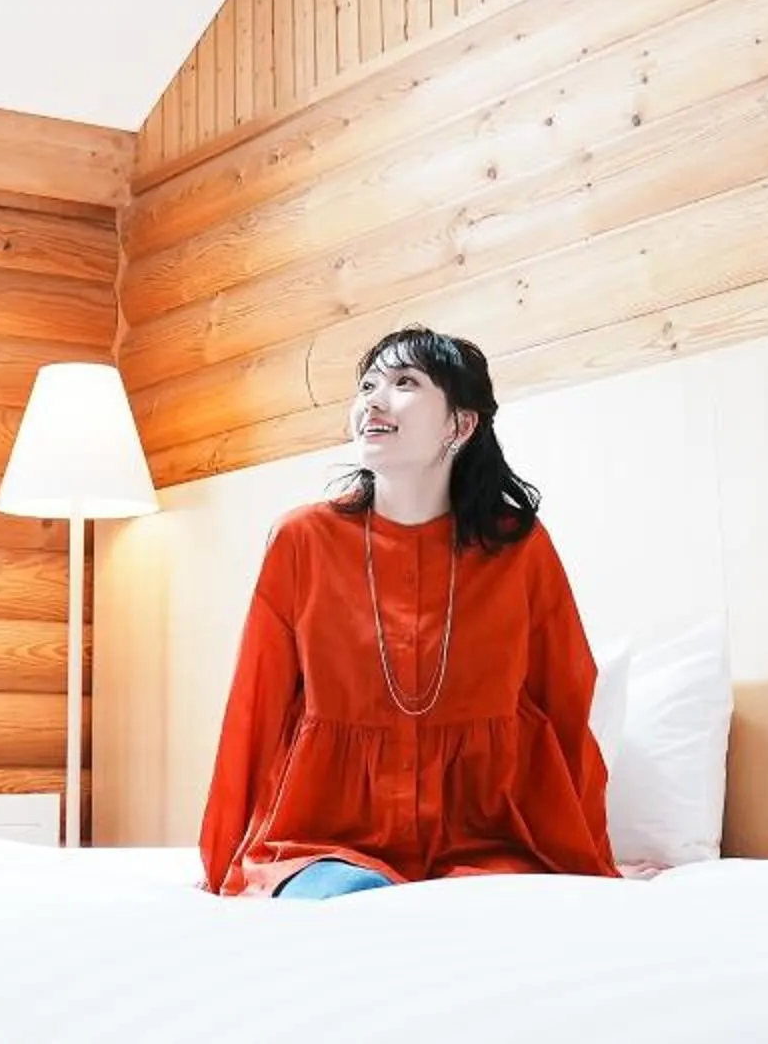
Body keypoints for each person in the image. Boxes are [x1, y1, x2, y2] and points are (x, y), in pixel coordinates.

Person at [198, 325, 617, 899]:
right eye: (367, 385)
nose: (373, 400)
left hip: (484, 846)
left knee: (499, 917)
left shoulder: (518, 547)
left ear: (459, 425)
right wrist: (221, 864)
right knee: (356, 904)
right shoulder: (303, 540)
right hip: (326, 843)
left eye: (404, 383)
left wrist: (592, 859)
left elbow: (565, 705)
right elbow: (254, 706)